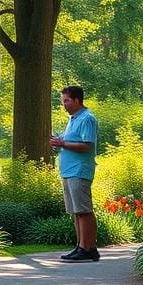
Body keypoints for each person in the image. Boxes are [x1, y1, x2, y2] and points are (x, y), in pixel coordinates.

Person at [49, 85, 99, 263]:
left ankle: (88, 248)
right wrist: (59, 141)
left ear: (77, 100)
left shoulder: (87, 119)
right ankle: (81, 246)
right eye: (63, 101)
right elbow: (69, 140)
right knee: (76, 212)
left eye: (66, 100)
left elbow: (87, 145)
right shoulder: (73, 119)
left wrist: (62, 144)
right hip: (69, 171)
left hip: (80, 171)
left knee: (84, 210)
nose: (64, 104)